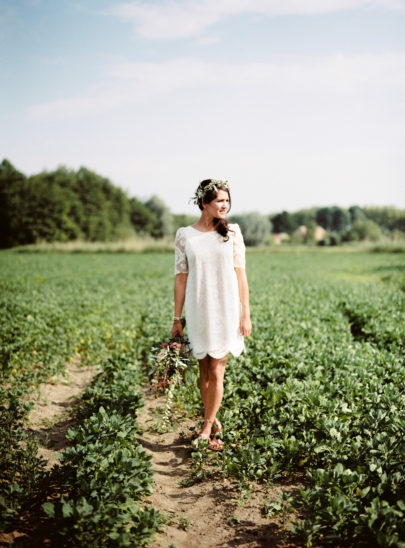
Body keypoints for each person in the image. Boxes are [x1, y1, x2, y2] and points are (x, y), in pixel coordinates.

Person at [171, 179, 252, 450]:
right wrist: (176, 318)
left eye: (227, 201)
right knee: (204, 372)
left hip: (227, 309)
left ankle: (206, 428)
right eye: (219, 201)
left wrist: (245, 314)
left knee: (218, 370)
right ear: (204, 203)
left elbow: (241, 276)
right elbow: (181, 278)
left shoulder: (233, 233)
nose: (225, 205)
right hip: (199, 308)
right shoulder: (185, 235)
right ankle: (212, 419)